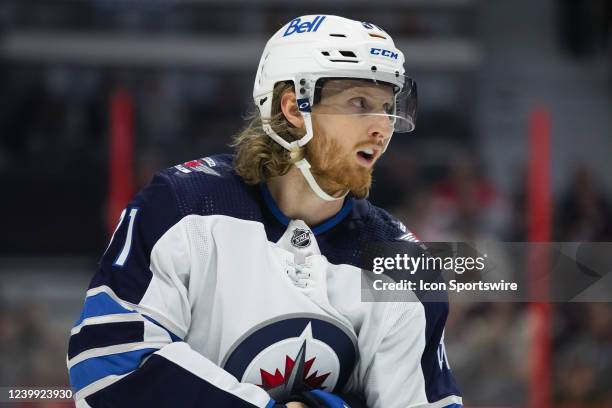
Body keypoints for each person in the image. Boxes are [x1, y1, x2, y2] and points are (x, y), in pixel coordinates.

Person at [67, 15, 462, 408]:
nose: (382, 126)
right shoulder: (180, 207)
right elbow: (108, 363)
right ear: (293, 107)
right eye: (359, 103)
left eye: (388, 106)